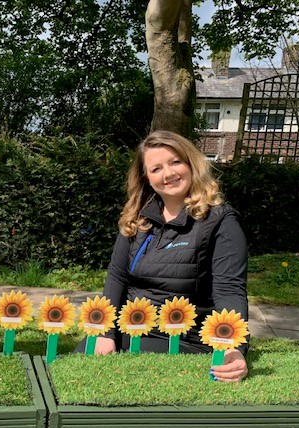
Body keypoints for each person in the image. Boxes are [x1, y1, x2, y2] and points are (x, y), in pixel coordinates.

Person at [76, 130, 249, 382]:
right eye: (156, 169)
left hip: (184, 339)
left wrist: (234, 347)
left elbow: (229, 289)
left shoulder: (221, 220)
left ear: (191, 164)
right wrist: (105, 334)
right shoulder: (137, 218)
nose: (168, 174)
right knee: (78, 368)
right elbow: (117, 278)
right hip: (131, 328)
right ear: (146, 178)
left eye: (175, 162)